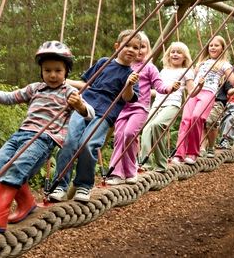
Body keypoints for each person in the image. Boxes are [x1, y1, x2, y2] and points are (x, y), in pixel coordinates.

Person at [0, 41, 94, 233]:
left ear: (66, 72)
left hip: (43, 138)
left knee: (17, 169)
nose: (52, 75)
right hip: (21, 134)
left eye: (58, 70)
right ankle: (26, 204)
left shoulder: (70, 92)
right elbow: (8, 97)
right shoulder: (35, 88)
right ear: (41, 71)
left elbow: (90, 114)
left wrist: (80, 106)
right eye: (47, 70)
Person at [48, 29, 140, 202]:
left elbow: (128, 98)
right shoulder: (104, 63)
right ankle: (60, 185)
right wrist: (64, 82)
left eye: (136, 47)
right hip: (84, 104)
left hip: (106, 113)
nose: (131, 50)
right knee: (69, 141)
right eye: (127, 45)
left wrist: (128, 85)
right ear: (117, 46)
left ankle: (84, 185)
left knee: (88, 144)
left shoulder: (133, 75)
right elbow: (86, 84)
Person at [106, 32, 179, 185]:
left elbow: (159, 85)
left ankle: (131, 170)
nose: (138, 51)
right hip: (122, 108)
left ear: (148, 49)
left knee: (129, 134)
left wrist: (169, 88)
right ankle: (116, 173)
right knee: (119, 136)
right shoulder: (125, 66)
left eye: (142, 47)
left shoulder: (150, 68)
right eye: (134, 47)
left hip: (140, 108)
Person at [172, 35, 233, 165]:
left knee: (196, 117)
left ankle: (192, 153)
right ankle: (179, 154)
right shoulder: (201, 63)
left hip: (208, 93)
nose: (212, 47)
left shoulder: (224, 64)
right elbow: (190, 78)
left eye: (216, 45)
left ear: (222, 48)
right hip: (194, 92)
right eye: (211, 45)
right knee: (186, 121)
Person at [139, 42, 194, 172]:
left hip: (172, 104)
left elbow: (191, 92)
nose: (175, 54)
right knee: (146, 129)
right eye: (172, 52)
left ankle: (161, 164)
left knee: (156, 125)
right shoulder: (163, 71)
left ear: (185, 57)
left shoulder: (186, 71)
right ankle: (144, 163)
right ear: (168, 55)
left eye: (179, 52)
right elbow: (159, 89)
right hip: (158, 104)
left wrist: (200, 88)